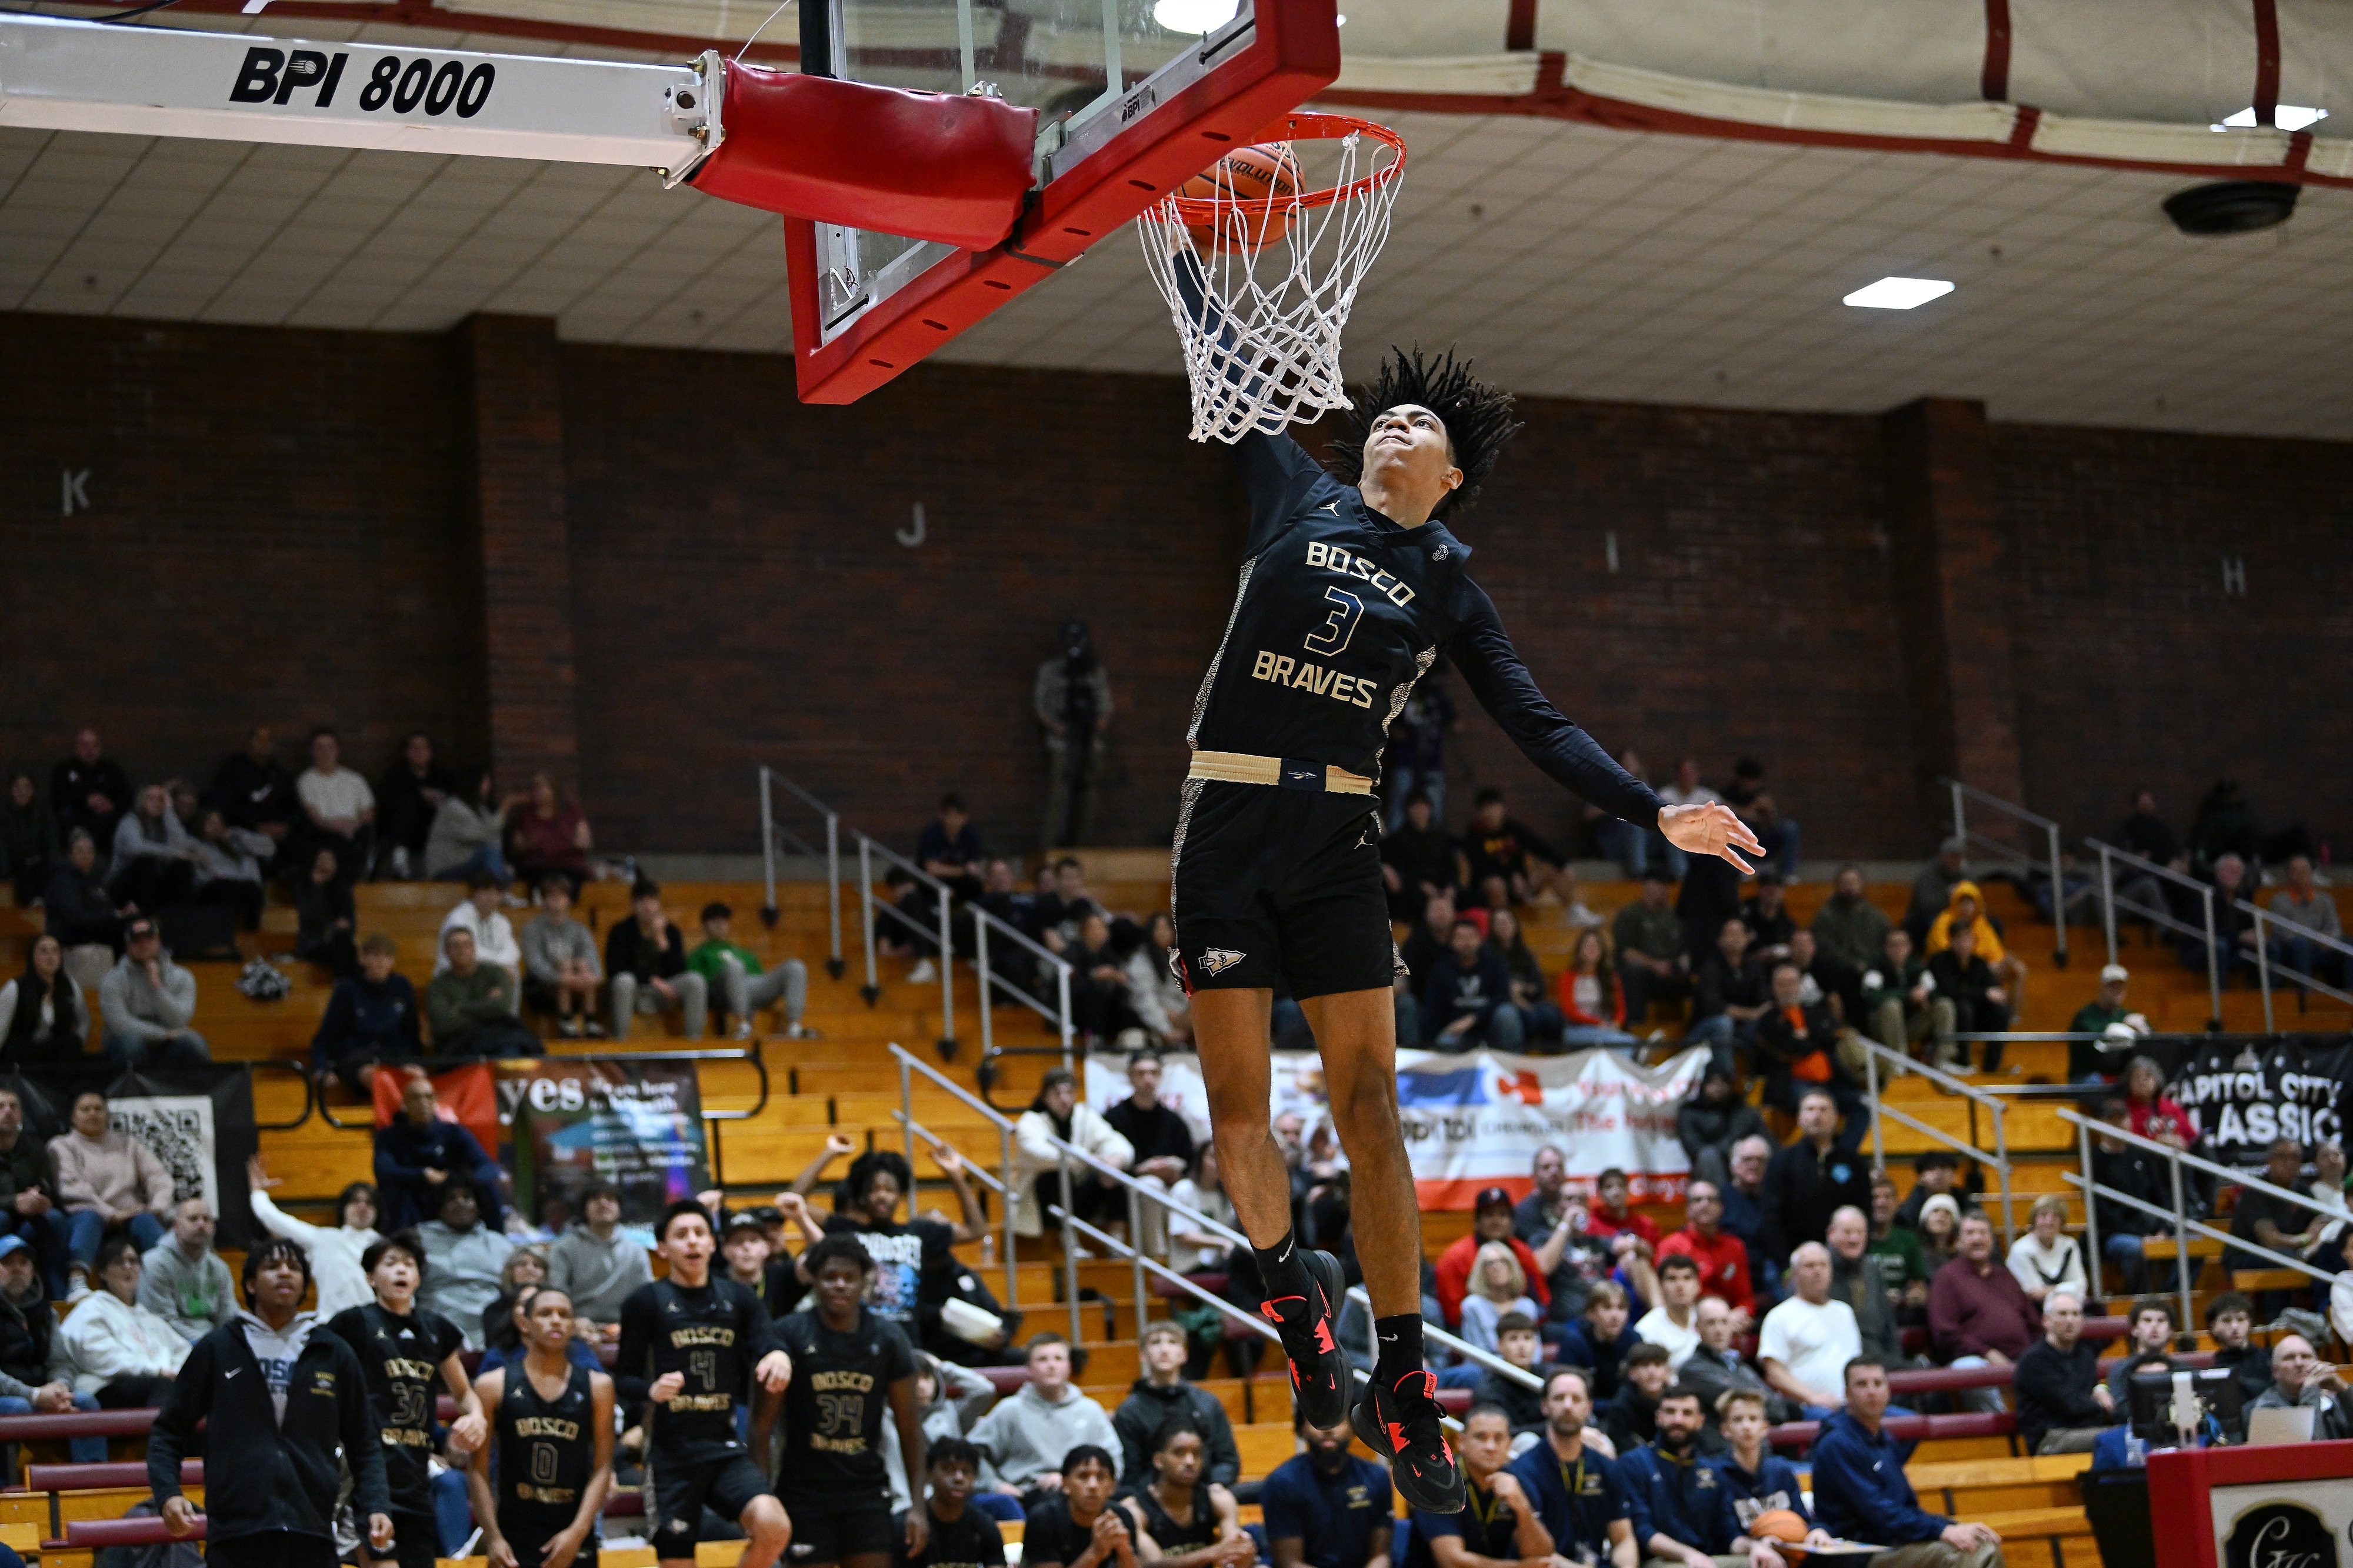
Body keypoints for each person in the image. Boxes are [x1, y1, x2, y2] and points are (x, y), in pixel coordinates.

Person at [1163, 342, 1761, 1513]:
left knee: (1370, 1101)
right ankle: (1298, 1307)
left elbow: (1535, 722)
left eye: (1416, 427)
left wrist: (1654, 810)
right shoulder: (1296, 494)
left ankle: (1400, 1374)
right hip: (1224, 820)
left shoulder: (1445, 581)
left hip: (1335, 836)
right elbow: (1223, 367)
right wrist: (1175, 221)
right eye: (1381, 418)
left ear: (1448, 476)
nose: (1392, 426)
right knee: (1236, 1110)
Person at [149, 1236, 396, 1568]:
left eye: (293, 1268)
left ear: (304, 1285)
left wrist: (378, 1504)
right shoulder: (218, 1348)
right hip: (236, 1535)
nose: (284, 1273)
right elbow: (168, 1431)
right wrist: (168, 1493)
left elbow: (364, 1442)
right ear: (250, 1284)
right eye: (272, 1267)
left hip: (313, 1532)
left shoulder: (333, 1352)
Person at [616, 1200, 794, 1568]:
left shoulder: (739, 1298)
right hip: (670, 1456)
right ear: (663, 1249)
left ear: (713, 1244)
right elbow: (623, 1379)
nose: (692, 1242)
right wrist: (650, 1390)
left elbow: (767, 1340)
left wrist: (778, 1354)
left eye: (700, 1233)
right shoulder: (645, 1301)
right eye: (681, 1236)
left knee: (774, 1526)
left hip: (723, 1448)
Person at [329, 1230, 489, 1568]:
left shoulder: (435, 1329)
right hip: (365, 1475)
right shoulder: (353, 1323)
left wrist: (476, 1416)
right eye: (390, 1264)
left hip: (414, 1473)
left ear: (419, 1277)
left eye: (409, 1264)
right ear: (371, 1277)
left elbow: (463, 1393)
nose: (401, 1270)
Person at [774, 1234, 929, 1568]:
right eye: (830, 1277)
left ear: (866, 1281)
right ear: (814, 1281)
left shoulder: (889, 1338)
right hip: (804, 1493)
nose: (840, 1285)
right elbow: (761, 1428)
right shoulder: (790, 1333)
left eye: (850, 1277)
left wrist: (918, 1506)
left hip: (866, 1492)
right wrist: (765, 1501)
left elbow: (910, 1429)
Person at [468, 1285, 616, 1568]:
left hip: (572, 1528)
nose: (556, 1320)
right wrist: (494, 1537)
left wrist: (577, 1533)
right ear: (524, 1322)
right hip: (514, 1531)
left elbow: (602, 1467)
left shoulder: (599, 1386)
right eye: (545, 1314)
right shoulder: (492, 1385)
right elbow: (478, 1470)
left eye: (564, 1314)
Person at [1809, 1358, 2002, 1568]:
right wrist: (1941, 1530)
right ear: (1847, 1394)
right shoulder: (1836, 1444)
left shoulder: (1884, 1439)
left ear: (1888, 1391)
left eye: (1878, 1383)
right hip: (1858, 1552)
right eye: (1862, 1385)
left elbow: (1905, 1507)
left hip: (1892, 1542)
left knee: (1981, 1541)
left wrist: (1949, 1526)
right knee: (1966, 1554)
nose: (1872, 1391)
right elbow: (1879, 1514)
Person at [968, 1332, 1120, 1509]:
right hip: (1026, 1494)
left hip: (1083, 1492)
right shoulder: (1010, 1410)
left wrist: (1071, 1481)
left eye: (1058, 1359)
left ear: (1069, 1366)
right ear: (1029, 1368)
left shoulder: (1090, 1410)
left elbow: (1113, 1459)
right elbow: (972, 1453)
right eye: (1042, 1360)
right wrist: (995, 1485)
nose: (1051, 1366)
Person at [49, 1088, 174, 1302]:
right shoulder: (61, 1146)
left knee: (147, 1220)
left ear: (107, 1114)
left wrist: (156, 1207)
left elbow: (159, 1177)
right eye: (85, 1109)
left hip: (130, 1214)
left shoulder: (128, 1144)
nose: (92, 1114)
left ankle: (169, 1281)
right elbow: (71, 1187)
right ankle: (77, 1280)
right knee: (90, 1217)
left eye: (98, 1109)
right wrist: (110, 1213)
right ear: (73, 1117)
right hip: (85, 1213)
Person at [1505, 1367, 1638, 1568]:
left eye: (1576, 1399)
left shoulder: (1607, 1467)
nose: (1568, 1406)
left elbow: (1623, 1539)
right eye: (1559, 1398)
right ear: (1545, 1406)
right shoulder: (1522, 1471)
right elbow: (1536, 1554)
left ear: (1589, 1407)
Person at [1617, 1383, 1758, 1568]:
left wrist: (1754, 1547)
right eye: (1670, 1412)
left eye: (1687, 1413)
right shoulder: (1634, 1463)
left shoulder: (1713, 1470)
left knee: (1763, 1562)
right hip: (1660, 1561)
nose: (1678, 1420)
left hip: (1708, 1559)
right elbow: (1642, 1531)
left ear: (1700, 1421)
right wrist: (1688, 1555)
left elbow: (1728, 1532)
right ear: (1658, 1418)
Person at [1402, 1404, 1554, 1568]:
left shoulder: (1518, 1482)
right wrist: (1519, 1567)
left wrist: (1522, 1507)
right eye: (1481, 1437)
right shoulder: (1437, 1482)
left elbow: (1541, 1556)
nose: (1491, 1447)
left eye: (1499, 1438)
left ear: (1509, 1444)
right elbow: (1452, 1562)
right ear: (1461, 1442)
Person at [0, 1235, 105, 1459]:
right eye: (7, 1263)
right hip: (13, 1397)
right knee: (17, 1408)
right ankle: (7, 1488)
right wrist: (34, 1395)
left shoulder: (47, 1312)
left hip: (40, 1394)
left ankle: (92, 1486)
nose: (17, 1269)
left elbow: (61, 1362)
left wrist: (60, 1388)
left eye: (24, 1263)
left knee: (85, 1401)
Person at [59, 1233, 190, 1406]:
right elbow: (101, 1357)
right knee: (162, 1387)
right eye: (119, 1262)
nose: (128, 1267)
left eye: (133, 1261)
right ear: (103, 1272)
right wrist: (156, 1371)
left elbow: (183, 1350)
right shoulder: (91, 1309)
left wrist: (177, 1372)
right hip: (107, 1388)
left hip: (157, 1383)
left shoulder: (147, 1316)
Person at [1011, 1069, 1135, 1243]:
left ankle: (1117, 1243)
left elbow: (1115, 1141)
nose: (1064, 1099)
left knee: (1113, 1175)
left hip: (1078, 1197)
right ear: (1045, 1097)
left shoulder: (1085, 1116)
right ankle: (1068, 1240)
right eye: (1057, 1093)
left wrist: (1117, 1158)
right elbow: (1038, 1153)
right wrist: (1086, 1159)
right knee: (1057, 1177)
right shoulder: (1031, 1121)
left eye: (1069, 1092)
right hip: (1043, 1202)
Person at [1259, 1409, 1394, 1568]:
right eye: (1317, 1421)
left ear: (1354, 1427)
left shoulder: (1377, 1477)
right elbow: (1290, 1563)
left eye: (1338, 1421)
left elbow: (1380, 1556)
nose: (1328, 1429)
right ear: (1302, 1429)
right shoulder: (1282, 1483)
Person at [1114, 1322, 1241, 1489]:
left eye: (1173, 1342)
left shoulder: (1207, 1403)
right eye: (1155, 1343)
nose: (1164, 1349)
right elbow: (1132, 1472)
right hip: (1153, 1498)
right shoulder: (1129, 1411)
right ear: (1143, 1355)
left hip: (1206, 1491)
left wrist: (1214, 1486)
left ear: (1184, 1355)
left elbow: (1228, 1461)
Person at [248, 1158, 381, 1318]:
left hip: (375, 1326)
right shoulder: (323, 1239)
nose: (362, 1207)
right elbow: (273, 1219)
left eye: (369, 1203)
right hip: (331, 1324)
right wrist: (258, 1193)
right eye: (355, 1201)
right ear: (343, 1208)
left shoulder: (386, 1247)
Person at [1929, 1213, 2038, 1407]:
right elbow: (1946, 1333)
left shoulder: (2005, 1276)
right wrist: (1988, 1353)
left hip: (2023, 1357)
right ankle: (2000, 1428)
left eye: (1983, 1233)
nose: (1978, 1239)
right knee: (1969, 1370)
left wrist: (2037, 1353)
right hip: (1978, 1360)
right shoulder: (1947, 1278)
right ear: (1958, 1241)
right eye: (1970, 1233)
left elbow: (2032, 1321)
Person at [1115, 1417, 1252, 1568]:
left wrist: (1243, 1555)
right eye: (1179, 1453)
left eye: (1197, 1454)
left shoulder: (1219, 1499)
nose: (1190, 1461)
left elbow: (1233, 1554)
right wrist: (1213, 1553)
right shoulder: (1135, 1510)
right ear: (1159, 1460)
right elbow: (1152, 1566)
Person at [375, 1073, 504, 1231]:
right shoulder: (389, 1137)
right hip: (413, 1198)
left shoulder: (454, 1132)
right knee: (393, 1192)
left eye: (428, 1097)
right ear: (405, 1102)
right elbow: (384, 1171)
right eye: (416, 1098)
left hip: (449, 1196)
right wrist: (422, 1175)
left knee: (487, 1187)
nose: (423, 1103)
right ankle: (398, 1243)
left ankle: (497, 1239)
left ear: (435, 1101)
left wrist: (456, 1181)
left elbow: (487, 1167)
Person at [1758, 1090, 1870, 1269]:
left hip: (1844, 1263)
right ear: (1800, 1118)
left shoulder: (1854, 1163)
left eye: (1823, 1110)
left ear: (1835, 1117)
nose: (1817, 1116)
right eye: (1810, 1110)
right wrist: (1785, 1266)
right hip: (1795, 1262)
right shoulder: (1782, 1162)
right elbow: (1772, 1218)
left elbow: (1864, 1212)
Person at [1102, 1054, 1197, 1261]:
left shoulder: (1173, 1120)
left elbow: (1189, 1158)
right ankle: (1156, 1255)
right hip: (1125, 1188)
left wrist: (1174, 1168)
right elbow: (1105, 1164)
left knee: (1185, 1187)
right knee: (1150, 1183)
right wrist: (1142, 1169)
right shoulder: (1115, 1117)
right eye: (1141, 1073)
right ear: (1130, 1076)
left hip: (1169, 1187)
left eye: (1154, 1073)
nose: (1148, 1079)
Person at [1757, 1245, 1861, 1419]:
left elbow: (1857, 1362)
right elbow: (1774, 1373)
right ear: (1795, 1274)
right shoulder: (1779, 1316)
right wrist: (1813, 1398)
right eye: (1810, 1266)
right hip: (1807, 1408)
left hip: (1853, 1405)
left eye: (1823, 1265)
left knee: (1903, 1421)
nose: (1818, 1271)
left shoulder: (1845, 1312)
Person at [1035, 621, 1115, 849]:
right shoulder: (1051, 671)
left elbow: (1106, 708)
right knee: (1059, 793)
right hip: (1061, 741)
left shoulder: (1094, 671)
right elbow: (1040, 706)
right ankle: (1050, 846)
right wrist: (1056, 726)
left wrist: (1095, 727)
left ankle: (1081, 846)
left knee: (1088, 792)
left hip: (1090, 741)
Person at [1711, 1391, 1823, 1550]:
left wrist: (1817, 1531)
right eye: (1738, 1420)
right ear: (1725, 1430)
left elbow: (1802, 1520)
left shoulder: (1781, 1470)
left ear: (1765, 1427)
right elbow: (1727, 1537)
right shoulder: (1716, 1474)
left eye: (1753, 1419)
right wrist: (1758, 1545)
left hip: (1789, 1548)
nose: (1746, 1426)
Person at [2007, 1289, 2114, 1456]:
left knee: (2128, 1435)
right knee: (2116, 1438)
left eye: (2076, 1314)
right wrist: (2102, 1406)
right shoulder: (2034, 1361)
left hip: (2085, 1430)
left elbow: (2089, 1390)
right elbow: (2070, 1405)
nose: (2070, 1321)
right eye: (2062, 1314)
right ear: (2046, 1321)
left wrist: (2100, 1391)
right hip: (2050, 1439)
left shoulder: (2084, 1354)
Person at [311, 934, 421, 1094]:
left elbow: (411, 1032)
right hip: (357, 1054)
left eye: (387, 956)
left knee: (417, 1076)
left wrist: (416, 1062)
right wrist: (321, 1067)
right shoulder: (347, 989)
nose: (381, 962)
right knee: (375, 1077)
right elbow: (327, 1034)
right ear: (363, 959)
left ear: (393, 961)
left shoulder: (402, 987)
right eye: (376, 956)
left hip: (394, 1053)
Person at [688, 902, 812, 1042]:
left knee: (795, 966)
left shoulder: (743, 953)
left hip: (751, 989)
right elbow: (699, 987)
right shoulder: (698, 954)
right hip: (722, 992)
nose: (720, 925)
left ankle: (794, 1026)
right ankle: (742, 1024)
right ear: (705, 925)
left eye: (724, 921)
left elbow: (760, 978)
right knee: (735, 967)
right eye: (715, 921)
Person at [98, 916, 211, 1067]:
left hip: (169, 1043)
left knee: (195, 1043)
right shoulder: (112, 980)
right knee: (132, 1045)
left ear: (159, 941)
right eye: (137, 941)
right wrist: (164, 1034)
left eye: (149, 939)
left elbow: (180, 1020)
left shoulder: (183, 976)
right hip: (126, 1042)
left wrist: (157, 988)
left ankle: (202, 1089)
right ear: (128, 946)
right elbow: (120, 1024)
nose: (144, 945)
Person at [1435, 1187, 1552, 1330]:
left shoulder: (1523, 1252)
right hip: (1472, 1329)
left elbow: (1541, 1300)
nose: (1496, 1221)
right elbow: (1454, 1315)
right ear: (1477, 1221)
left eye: (1503, 1215)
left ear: (1512, 1222)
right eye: (1489, 1215)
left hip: (1522, 1327)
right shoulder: (1454, 1258)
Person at [605, 881, 708, 1042]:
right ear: (633, 905)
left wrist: (662, 941)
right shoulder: (621, 931)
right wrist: (652, 980)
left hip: (666, 993)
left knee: (695, 980)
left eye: (652, 900)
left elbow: (679, 969)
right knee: (623, 981)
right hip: (636, 991)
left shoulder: (671, 932)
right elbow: (615, 967)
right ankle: (620, 1042)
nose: (647, 906)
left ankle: (694, 1044)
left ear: (658, 904)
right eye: (642, 901)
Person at [547, 1182, 651, 1339]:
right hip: (576, 1330)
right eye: (595, 1199)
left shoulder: (636, 1250)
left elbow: (646, 1296)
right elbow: (556, 1293)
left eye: (610, 1199)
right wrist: (573, 1323)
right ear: (584, 1208)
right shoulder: (564, 1248)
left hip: (628, 1329)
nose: (603, 1203)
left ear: (620, 1208)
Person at [1017, 1444, 1136, 1568]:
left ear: (1112, 1486)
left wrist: (1125, 1551)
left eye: (1100, 1477)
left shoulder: (1121, 1517)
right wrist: (1096, 1552)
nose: (1093, 1485)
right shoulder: (1043, 1519)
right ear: (1066, 1484)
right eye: (1083, 1476)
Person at [514, 878, 605, 1039]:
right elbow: (535, 964)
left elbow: (593, 960)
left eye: (561, 895)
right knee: (565, 968)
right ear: (543, 900)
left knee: (582, 967)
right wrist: (561, 977)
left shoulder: (580, 930)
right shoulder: (532, 929)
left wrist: (588, 976)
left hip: (576, 984)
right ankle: (566, 1021)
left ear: (569, 900)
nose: (557, 900)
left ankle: (590, 1021)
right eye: (551, 895)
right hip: (541, 987)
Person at [429, 926, 536, 1059]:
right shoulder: (438, 985)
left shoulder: (495, 973)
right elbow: (443, 1023)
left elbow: (502, 1007)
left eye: (466, 945)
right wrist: (487, 1007)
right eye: (455, 946)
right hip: (459, 1043)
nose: (462, 950)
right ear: (447, 952)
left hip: (497, 1037)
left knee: (514, 1046)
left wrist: (460, 1008)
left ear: (474, 949)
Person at [1677, 1299, 1784, 1431]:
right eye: (1711, 1323)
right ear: (1697, 1327)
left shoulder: (1738, 1364)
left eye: (1724, 1322)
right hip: (1719, 1446)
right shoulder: (1691, 1370)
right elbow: (1755, 1408)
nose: (1719, 1330)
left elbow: (1779, 1409)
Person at [139, 1196, 235, 1343]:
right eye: (193, 1219)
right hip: (170, 1344)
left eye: (207, 1220)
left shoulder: (219, 1267)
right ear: (176, 1227)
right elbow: (161, 1321)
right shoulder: (154, 1263)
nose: (201, 1224)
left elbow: (228, 1316)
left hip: (211, 1343)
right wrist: (206, 1346)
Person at [896, 1437, 1003, 1568]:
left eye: (966, 1471)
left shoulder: (986, 1526)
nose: (959, 1478)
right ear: (929, 1474)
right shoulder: (905, 1527)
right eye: (949, 1470)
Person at [1422, 916, 1525, 1050]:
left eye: (1471, 937)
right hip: (1456, 1030)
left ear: (1480, 940)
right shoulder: (1440, 970)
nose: (1467, 942)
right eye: (1461, 938)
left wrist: (1473, 1019)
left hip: (1489, 1025)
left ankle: (1514, 1064)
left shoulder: (1495, 964)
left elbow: (1502, 997)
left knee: (1507, 1013)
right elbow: (1433, 1006)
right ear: (1452, 941)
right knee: (1445, 1041)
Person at [1687, 920, 1768, 1075]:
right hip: (1704, 1030)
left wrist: (1761, 1013)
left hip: (1741, 1029)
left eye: (1740, 934)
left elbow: (1764, 1001)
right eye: (1730, 934)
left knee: (1766, 1023)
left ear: (1747, 939)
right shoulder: (1710, 968)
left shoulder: (1754, 967)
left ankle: (1759, 1078)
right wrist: (1752, 1014)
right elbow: (1714, 1007)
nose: (1735, 938)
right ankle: (1725, 1079)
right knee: (1724, 1023)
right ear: (1720, 941)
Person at [296, 727, 376, 880]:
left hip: (355, 832)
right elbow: (312, 815)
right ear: (312, 752)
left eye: (330, 747)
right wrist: (334, 826)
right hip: (325, 834)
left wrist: (354, 824)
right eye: (319, 748)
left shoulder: (355, 779)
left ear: (337, 751)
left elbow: (369, 811)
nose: (325, 752)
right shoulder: (306, 780)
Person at [1824, 1209, 1902, 1364]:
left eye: (1860, 1232)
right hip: (1835, 1362)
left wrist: (1896, 1360)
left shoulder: (1872, 1269)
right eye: (1847, 1232)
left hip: (1879, 1361)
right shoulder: (1818, 1269)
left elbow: (1889, 1325)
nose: (1854, 1239)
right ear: (1831, 1234)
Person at [108, 783, 200, 913]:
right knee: (146, 863)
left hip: (154, 881)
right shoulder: (130, 820)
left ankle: (180, 919)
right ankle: (148, 919)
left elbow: (181, 847)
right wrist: (172, 853)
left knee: (183, 866)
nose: (156, 803)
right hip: (123, 881)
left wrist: (169, 811)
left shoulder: (163, 822)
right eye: (151, 798)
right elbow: (137, 847)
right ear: (142, 800)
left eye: (161, 799)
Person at [0, 933, 90, 1066]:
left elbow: (84, 1021)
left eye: (55, 951)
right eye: (44, 951)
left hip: (57, 1059)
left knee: (69, 1044)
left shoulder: (70, 985)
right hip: (22, 1058)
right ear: (32, 956)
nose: (50, 956)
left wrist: (78, 1042)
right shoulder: (15, 988)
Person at [1614, 876, 1693, 1026]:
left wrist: (1682, 963)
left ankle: (1696, 1032)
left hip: (1672, 973)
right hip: (1646, 975)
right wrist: (1655, 965)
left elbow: (1685, 949)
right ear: (1648, 888)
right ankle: (1635, 1027)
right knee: (1634, 973)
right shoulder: (1630, 914)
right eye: (1661, 885)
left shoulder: (1673, 916)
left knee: (1704, 976)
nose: (1665, 891)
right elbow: (1627, 952)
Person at [377, 733, 456, 883]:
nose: (419, 752)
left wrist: (437, 798)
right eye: (414, 748)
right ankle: (400, 857)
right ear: (407, 752)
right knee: (408, 803)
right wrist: (419, 795)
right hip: (405, 830)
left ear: (431, 752)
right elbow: (387, 804)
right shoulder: (395, 775)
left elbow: (453, 802)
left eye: (424, 748)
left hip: (435, 830)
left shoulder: (443, 776)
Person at [2246, 1333, 2353, 1439]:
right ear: (2275, 1371)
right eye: (2289, 1358)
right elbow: (2312, 1448)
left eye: (2306, 1357)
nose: (2299, 1363)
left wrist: (2345, 1391)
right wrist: (2310, 1391)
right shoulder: (2266, 1409)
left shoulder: (2330, 1399)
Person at [1675, 1073, 1766, 1192]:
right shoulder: (1690, 1111)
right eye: (1712, 1083)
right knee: (1709, 1155)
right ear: (1703, 1085)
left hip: (1742, 1166)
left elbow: (1769, 1144)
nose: (1718, 1087)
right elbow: (1694, 1149)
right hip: (1709, 1170)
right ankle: (1722, 1202)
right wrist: (1732, 1145)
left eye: (1723, 1082)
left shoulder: (1742, 1110)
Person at [2268, 855, 2347, 993]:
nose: (2301, 875)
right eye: (2296, 871)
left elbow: (2335, 927)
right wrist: (2316, 938)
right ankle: (2307, 995)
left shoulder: (2325, 900)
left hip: (2322, 948)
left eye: (2304, 871)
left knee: (2348, 944)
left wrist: (2329, 938)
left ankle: (2348, 993)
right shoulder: (2279, 901)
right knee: (2300, 944)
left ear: (2311, 874)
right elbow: (2281, 931)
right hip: (2292, 949)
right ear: (2289, 875)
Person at [1864, 929, 1945, 1057]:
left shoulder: (1918, 967)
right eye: (1893, 945)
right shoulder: (1877, 967)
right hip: (1884, 1027)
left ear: (1909, 947)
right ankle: (1898, 1060)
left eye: (1902, 944)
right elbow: (1871, 996)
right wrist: (1908, 995)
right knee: (1892, 1005)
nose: (1898, 949)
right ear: (1886, 948)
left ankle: (1944, 1057)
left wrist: (1926, 996)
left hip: (1911, 1025)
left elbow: (1936, 991)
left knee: (1944, 1004)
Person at [509, 775, 594, 897]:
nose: (537, 791)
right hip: (538, 865)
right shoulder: (525, 815)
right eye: (534, 787)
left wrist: (567, 842)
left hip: (568, 864)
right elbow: (518, 845)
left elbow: (585, 841)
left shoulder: (571, 811)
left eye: (541, 787)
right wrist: (530, 843)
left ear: (554, 789)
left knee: (571, 882)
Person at [426, 771, 516, 885]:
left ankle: (498, 892)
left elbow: (493, 838)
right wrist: (504, 809)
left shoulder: (481, 809)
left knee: (508, 869)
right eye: (485, 783)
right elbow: (481, 834)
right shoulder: (453, 808)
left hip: (468, 865)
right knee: (489, 853)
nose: (488, 787)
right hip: (447, 869)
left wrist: (501, 864)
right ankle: (499, 893)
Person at [191, 808, 275, 928]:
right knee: (228, 887)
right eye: (211, 823)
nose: (216, 826)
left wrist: (238, 836)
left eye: (219, 822)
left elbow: (270, 849)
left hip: (241, 888)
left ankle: (251, 933)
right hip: (211, 889)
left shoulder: (236, 840)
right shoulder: (196, 845)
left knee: (251, 889)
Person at [1382, 790, 1459, 922]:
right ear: (1408, 810)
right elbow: (1400, 870)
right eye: (1415, 806)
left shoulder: (1441, 837)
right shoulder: (1397, 840)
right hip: (1414, 892)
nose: (1419, 811)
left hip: (1442, 888)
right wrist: (1420, 885)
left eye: (1423, 806)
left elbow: (1451, 866)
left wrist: (1450, 886)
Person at [1557, 1282, 1637, 1404]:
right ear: (1591, 1313)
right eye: (1607, 1308)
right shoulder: (1575, 1344)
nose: (1615, 1316)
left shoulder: (1634, 1340)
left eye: (1621, 1308)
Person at [1461, 1241, 1542, 1357]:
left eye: (1503, 1262)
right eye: (1490, 1263)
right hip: (1487, 1371)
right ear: (1481, 1271)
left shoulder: (1527, 1305)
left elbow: (1536, 1352)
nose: (1497, 1268)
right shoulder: (1473, 1305)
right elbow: (1476, 1353)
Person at [52, 730, 131, 850]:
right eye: (85, 746)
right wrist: (86, 800)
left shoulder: (112, 770)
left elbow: (127, 796)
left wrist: (111, 805)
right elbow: (58, 797)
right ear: (77, 748)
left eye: (94, 745)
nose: (90, 750)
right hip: (78, 820)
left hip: (107, 821)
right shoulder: (65, 770)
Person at [2066, 966, 2146, 1083]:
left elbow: (2152, 1039)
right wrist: (2125, 1025)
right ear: (2101, 988)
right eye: (2112, 986)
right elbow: (2100, 1037)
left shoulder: (2128, 1015)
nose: (2117, 991)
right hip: (2087, 1076)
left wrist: (2142, 1029)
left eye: (2121, 987)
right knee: (2097, 1082)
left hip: (2120, 1077)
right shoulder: (2086, 1016)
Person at [2004, 1196, 2087, 1305]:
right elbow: (2033, 1294)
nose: (2049, 1221)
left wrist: (2047, 1291)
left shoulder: (2069, 1245)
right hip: (2032, 1309)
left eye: (2056, 1216)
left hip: (2066, 1306)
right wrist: (2067, 1288)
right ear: (2034, 1221)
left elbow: (2080, 1286)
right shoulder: (2020, 1250)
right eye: (2043, 1216)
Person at [293, 847, 359, 976]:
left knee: (347, 949)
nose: (325, 865)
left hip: (339, 941)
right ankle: (344, 986)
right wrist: (316, 886)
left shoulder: (342, 888)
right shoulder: (306, 887)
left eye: (329, 861)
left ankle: (346, 986)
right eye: (321, 861)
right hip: (313, 943)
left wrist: (343, 925)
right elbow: (311, 917)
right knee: (343, 951)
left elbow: (350, 921)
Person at [2103, 1299, 2180, 1407]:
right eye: (2147, 1320)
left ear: (2171, 1331)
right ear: (2135, 1329)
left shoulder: (2183, 1369)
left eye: (2161, 1321)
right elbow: (2120, 1410)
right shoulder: (2120, 1369)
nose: (2154, 1326)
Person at [1599, 1342, 1673, 1454]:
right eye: (1644, 1366)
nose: (1652, 1372)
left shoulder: (1677, 1400)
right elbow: (1623, 1449)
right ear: (1632, 1373)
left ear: (1667, 1371)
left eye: (1658, 1365)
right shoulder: (1620, 1407)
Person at [1635, 1255, 1704, 1371]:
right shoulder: (1647, 1330)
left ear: (1698, 1286)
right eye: (1672, 1279)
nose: (1680, 1286)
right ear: (1661, 1286)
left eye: (1687, 1278)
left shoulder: (1708, 1319)